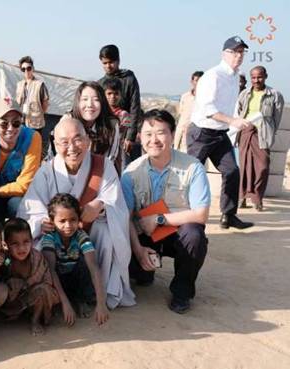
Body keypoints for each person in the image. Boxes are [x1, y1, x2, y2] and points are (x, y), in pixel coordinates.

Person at [18, 117, 135, 309]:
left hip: (90, 231)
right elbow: (30, 208)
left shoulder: (103, 166)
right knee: (40, 247)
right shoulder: (46, 171)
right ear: (55, 145)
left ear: (88, 140)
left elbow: (116, 203)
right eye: (64, 142)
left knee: (107, 234)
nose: (72, 147)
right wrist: (42, 221)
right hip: (56, 235)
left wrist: (100, 204)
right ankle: (52, 297)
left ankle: (101, 293)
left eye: (77, 139)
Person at [121, 109, 210, 314]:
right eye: (148, 134)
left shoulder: (193, 167)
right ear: (139, 137)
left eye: (161, 133)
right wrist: (138, 250)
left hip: (176, 233)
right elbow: (125, 217)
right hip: (145, 234)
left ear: (172, 135)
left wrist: (159, 218)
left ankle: (182, 292)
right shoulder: (131, 173)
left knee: (194, 236)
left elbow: (201, 214)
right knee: (140, 278)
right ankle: (145, 268)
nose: (154, 140)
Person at [187, 35, 254, 229]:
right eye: (235, 52)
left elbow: (229, 106)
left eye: (242, 52)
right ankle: (187, 215)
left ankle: (228, 215)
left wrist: (237, 123)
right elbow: (209, 110)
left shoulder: (235, 76)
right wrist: (233, 121)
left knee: (232, 171)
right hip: (201, 133)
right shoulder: (213, 76)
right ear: (224, 53)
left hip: (220, 133)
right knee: (192, 174)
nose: (239, 56)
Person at [41, 193, 109, 326]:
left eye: (73, 220)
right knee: (48, 270)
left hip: (76, 279)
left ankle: (80, 300)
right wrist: (65, 304)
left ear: (79, 220)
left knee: (86, 263)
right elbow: (51, 271)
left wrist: (101, 305)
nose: (68, 225)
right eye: (62, 221)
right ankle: (61, 302)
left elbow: (94, 268)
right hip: (58, 280)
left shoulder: (80, 236)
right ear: (52, 221)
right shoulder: (49, 238)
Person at [0, 97, 42, 220]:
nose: (11, 128)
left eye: (16, 123)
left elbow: (25, 185)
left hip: (13, 195)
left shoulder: (32, 138)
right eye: (4, 124)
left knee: (18, 205)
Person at [236, 66, 285, 211]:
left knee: (262, 167)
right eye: (253, 77)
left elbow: (276, 118)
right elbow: (239, 112)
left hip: (262, 135)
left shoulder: (274, 95)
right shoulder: (244, 94)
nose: (256, 80)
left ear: (266, 76)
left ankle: (257, 198)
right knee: (244, 167)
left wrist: (268, 131)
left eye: (259, 77)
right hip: (245, 133)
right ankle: (242, 198)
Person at [1, 218, 59, 336]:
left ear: (32, 241)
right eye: (15, 244)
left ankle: (35, 320)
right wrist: (11, 283)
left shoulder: (37, 258)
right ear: (5, 244)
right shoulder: (5, 260)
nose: (21, 248)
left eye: (26, 242)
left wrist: (27, 285)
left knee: (43, 290)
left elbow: (47, 282)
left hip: (36, 298)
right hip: (14, 300)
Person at [98, 44, 142, 165]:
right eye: (105, 63)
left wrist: (130, 136)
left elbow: (135, 107)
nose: (108, 66)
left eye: (111, 62)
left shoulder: (129, 78)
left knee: (125, 166)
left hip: (125, 132)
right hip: (106, 134)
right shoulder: (100, 84)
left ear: (118, 60)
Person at [69, 82, 120, 170]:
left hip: (99, 175)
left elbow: (110, 159)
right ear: (78, 102)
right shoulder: (68, 121)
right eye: (85, 99)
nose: (89, 105)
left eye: (96, 100)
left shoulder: (111, 125)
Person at [15, 56, 50, 154]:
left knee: (34, 147)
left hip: (36, 122)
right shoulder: (19, 84)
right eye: (23, 69)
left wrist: (40, 113)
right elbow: (18, 101)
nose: (26, 71)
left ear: (33, 69)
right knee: (22, 147)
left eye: (28, 68)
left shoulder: (40, 84)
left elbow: (45, 103)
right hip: (22, 120)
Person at [101, 77, 132, 169]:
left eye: (116, 94)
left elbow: (120, 134)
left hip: (117, 152)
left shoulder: (124, 114)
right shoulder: (100, 113)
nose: (113, 97)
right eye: (109, 93)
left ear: (120, 95)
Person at [174, 71, 203, 152]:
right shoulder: (185, 96)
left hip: (197, 132)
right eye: (196, 80)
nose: (198, 83)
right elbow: (181, 112)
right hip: (182, 130)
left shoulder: (206, 98)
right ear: (192, 81)